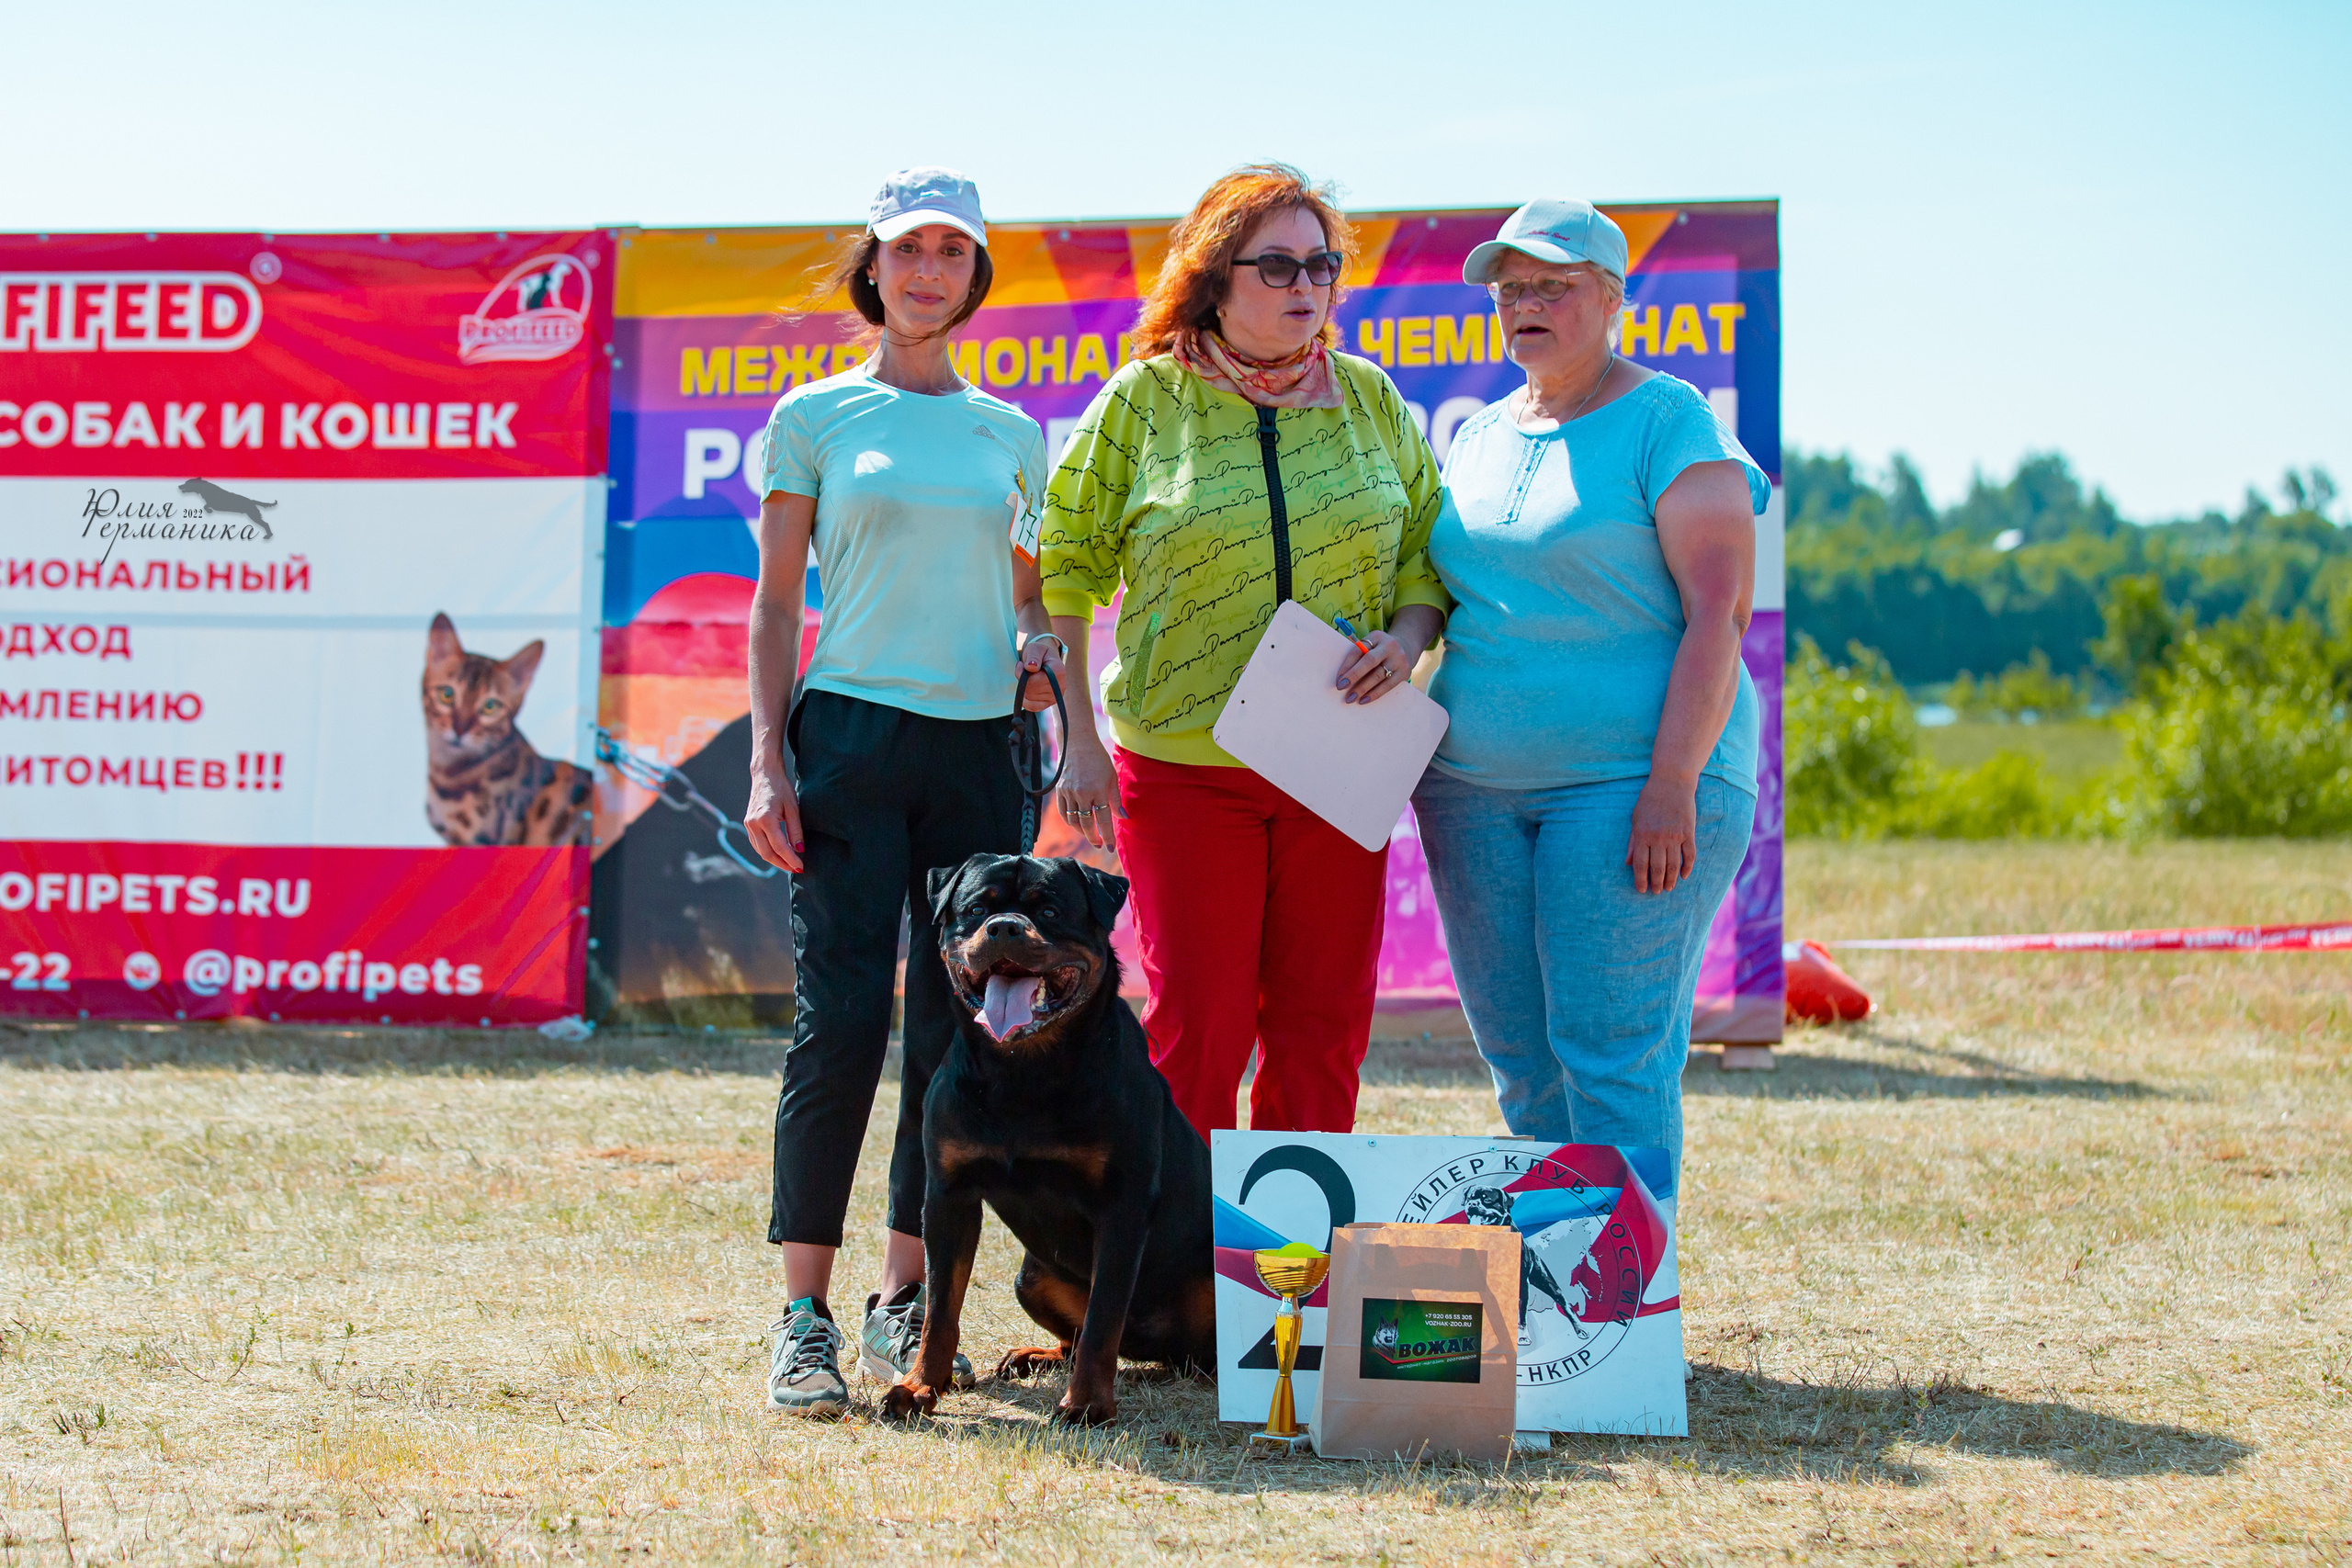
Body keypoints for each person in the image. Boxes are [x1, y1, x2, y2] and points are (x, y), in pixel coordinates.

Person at [742, 167, 1064, 1418]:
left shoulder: (1013, 434)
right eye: (905, 249)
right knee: (839, 1026)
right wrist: (770, 752)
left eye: (951, 251)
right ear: (872, 269)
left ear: (975, 275)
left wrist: (1039, 653)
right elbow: (777, 602)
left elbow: (1033, 597)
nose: (927, 269)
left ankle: (905, 1298)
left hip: (981, 749)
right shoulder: (814, 415)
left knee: (957, 1035)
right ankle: (803, 1316)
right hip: (853, 744)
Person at [1040, 164, 1450, 1141]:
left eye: (1322, 264)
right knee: (1199, 1031)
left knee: (1320, 1028)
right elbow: (1061, 569)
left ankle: (1292, 1271)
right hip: (1183, 772)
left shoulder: (1368, 398)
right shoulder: (1142, 402)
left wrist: (1404, 642)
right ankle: (1181, 1273)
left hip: (1338, 763)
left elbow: (1430, 559)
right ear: (1214, 275)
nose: (1305, 285)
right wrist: (1080, 742)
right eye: (1276, 265)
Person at [1412, 199, 1769, 1181]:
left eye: (1551, 285)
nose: (1524, 303)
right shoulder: (1478, 436)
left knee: (1611, 1056)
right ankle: (1549, 1296)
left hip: (1629, 786)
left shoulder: (1671, 420)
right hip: (1470, 790)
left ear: (1612, 298)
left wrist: (1671, 785)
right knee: (1522, 1064)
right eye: (1508, 287)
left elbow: (1720, 616)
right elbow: (1439, 596)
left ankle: (1618, 1311)